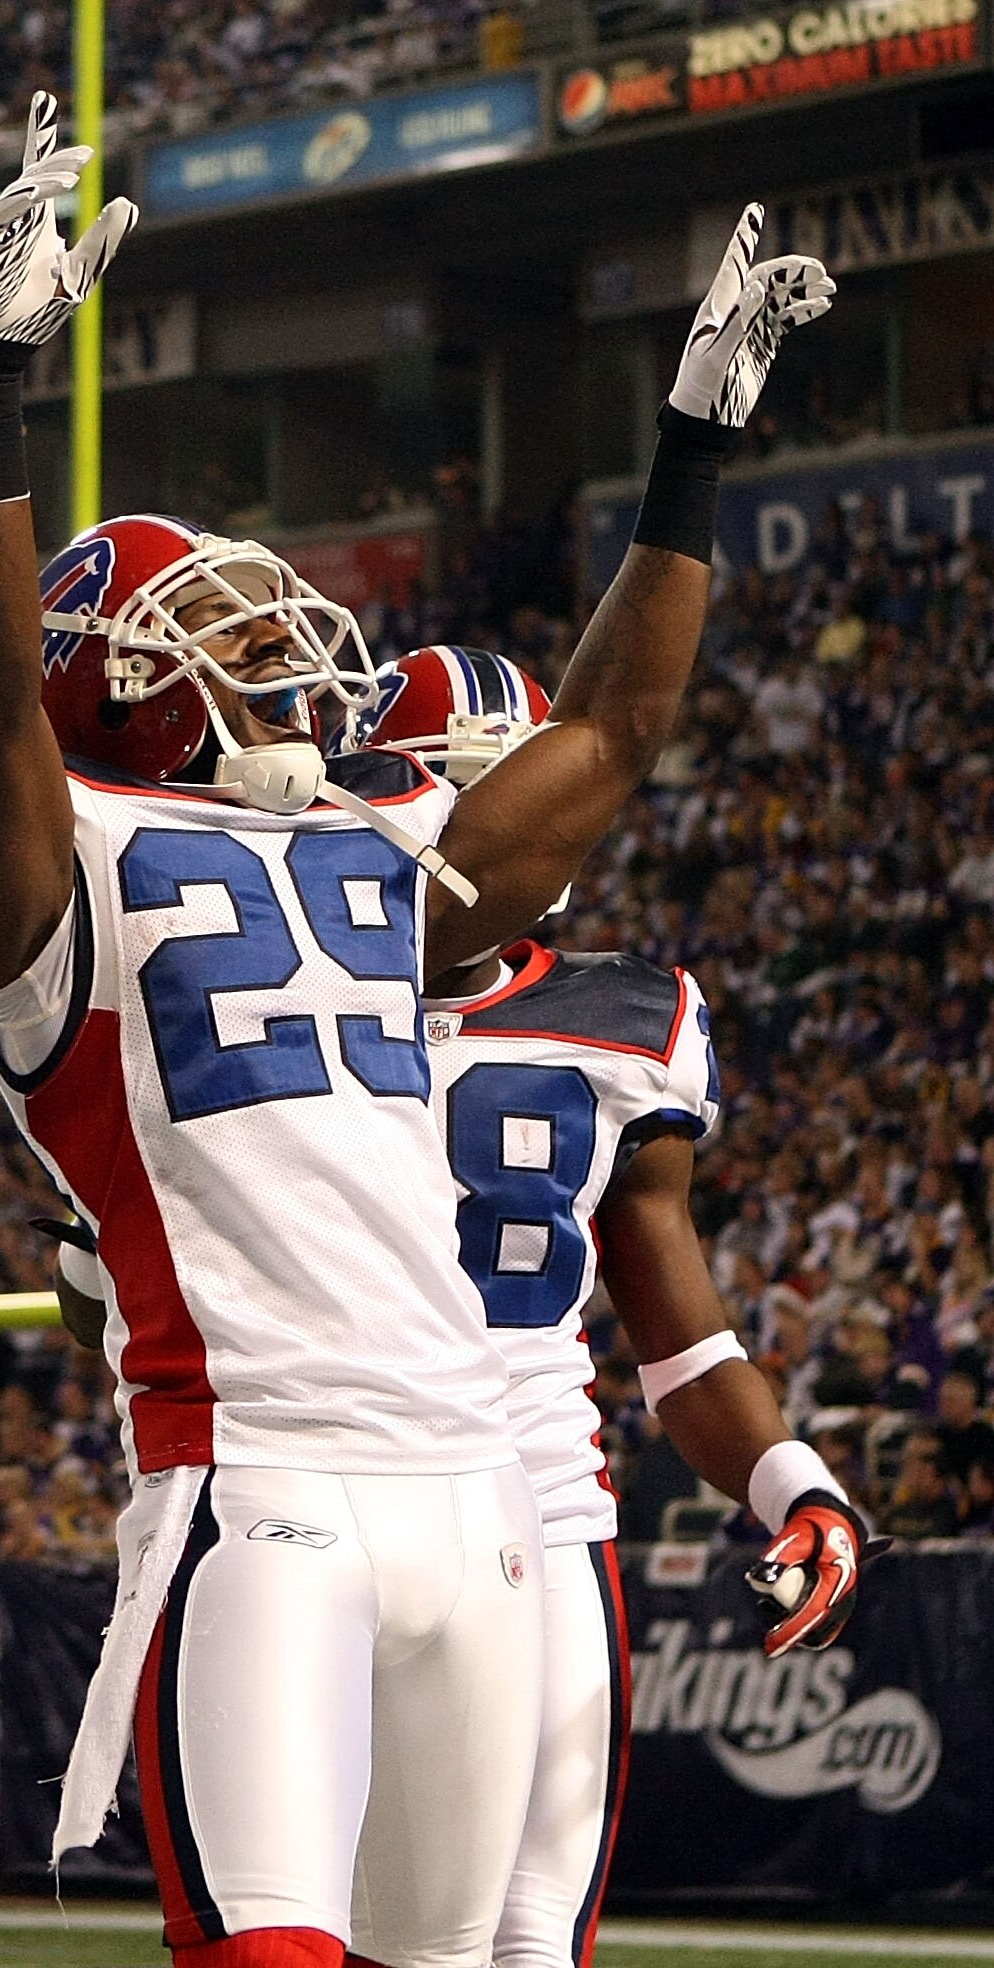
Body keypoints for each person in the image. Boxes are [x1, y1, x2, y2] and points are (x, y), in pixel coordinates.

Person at [0, 86, 833, 1968]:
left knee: (472, 1956)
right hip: (267, 1480)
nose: (277, 641)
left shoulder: (379, 865)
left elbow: (612, 738)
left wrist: (692, 449)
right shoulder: (52, 865)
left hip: (484, 1500)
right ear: (117, 689)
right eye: (213, 630)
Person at [360, 645, 884, 1968]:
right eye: (479, 797)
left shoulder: (626, 1020)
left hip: (536, 1490)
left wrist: (799, 1488)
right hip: (323, 1478)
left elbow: (684, 1344)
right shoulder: (276, 997)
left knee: (533, 1938)